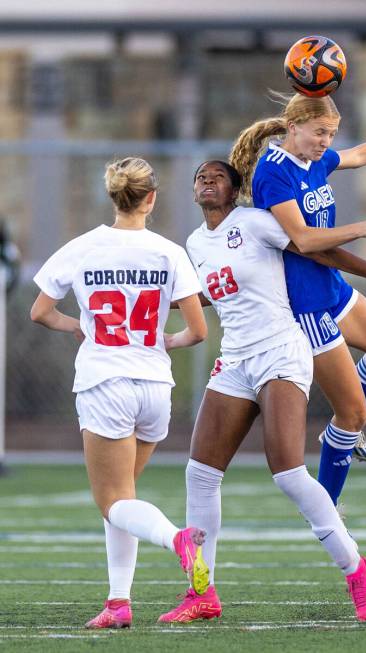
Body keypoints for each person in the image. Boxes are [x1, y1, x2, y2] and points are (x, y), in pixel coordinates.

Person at [158, 159, 366, 625]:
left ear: (234, 189)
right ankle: (201, 592)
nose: (207, 180)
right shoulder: (193, 243)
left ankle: (357, 567)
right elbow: (211, 293)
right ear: (193, 192)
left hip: (280, 351)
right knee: (200, 474)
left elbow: (319, 253)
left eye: (218, 176)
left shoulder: (256, 221)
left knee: (287, 472)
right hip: (237, 358)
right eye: (201, 176)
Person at [230, 93, 366, 504]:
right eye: (319, 132)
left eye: (331, 133)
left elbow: (360, 155)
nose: (326, 141)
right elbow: (304, 240)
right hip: (305, 302)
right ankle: (326, 510)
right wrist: (360, 228)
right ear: (293, 128)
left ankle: (341, 434)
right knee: (354, 412)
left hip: (331, 287)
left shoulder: (314, 160)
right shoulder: (274, 174)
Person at [30, 157, 210, 629]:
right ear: (151, 198)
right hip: (154, 384)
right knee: (123, 502)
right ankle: (118, 603)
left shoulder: (84, 247)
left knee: (112, 502)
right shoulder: (169, 252)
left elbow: (40, 311)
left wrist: (78, 327)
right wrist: (164, 340)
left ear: (113, 197)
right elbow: (197, 330)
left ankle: (178, 540)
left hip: (105, 381)